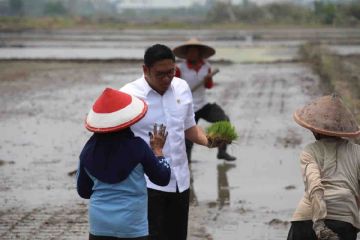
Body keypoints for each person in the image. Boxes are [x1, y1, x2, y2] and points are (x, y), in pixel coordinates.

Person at [120, 44, 222, 240]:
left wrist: (208, 141)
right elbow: (116, 140)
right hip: (146, 185)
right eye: (160, 74)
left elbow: (189, 128)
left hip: (179, 182)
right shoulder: (129, 96)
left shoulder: (181, 88)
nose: (167, 79)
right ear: (145, 70)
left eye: (171, 72)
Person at [76, 87, 171, 240]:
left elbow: (83, 192)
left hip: (99, 226)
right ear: (127, 122)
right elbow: (163, 178)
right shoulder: (138, 147)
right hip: (132, 225)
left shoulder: (87, 152)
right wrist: (158, 151)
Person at [287, 94, 360, 240]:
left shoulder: (310, 151)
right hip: (343, 221)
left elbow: (315, 185)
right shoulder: (357, 152)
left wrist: (319, 224)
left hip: (306, 220)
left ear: (315, 131)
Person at [173, 38, 236, 162]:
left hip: (203, 104)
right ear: (186, 53)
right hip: (187, 107)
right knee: (188, 138)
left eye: (194, 51)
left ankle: (222, 151)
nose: (192, 54)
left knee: (224, 120)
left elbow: (208, 86)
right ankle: (187, 163)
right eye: (189, 51)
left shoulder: (206, 66)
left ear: (199, 53)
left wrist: (208, 79)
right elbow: (174, 87)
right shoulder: (180, 68)